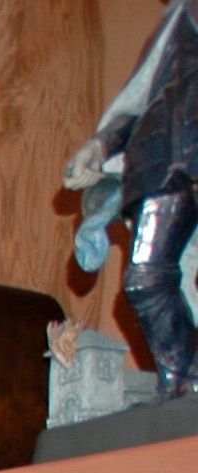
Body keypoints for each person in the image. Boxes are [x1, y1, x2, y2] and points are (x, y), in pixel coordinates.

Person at [71, 1, 198, 394]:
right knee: (145, 279)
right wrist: (99, 146)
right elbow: (143, 103)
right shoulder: (173, 28)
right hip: (163, 163)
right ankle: (183, 382)